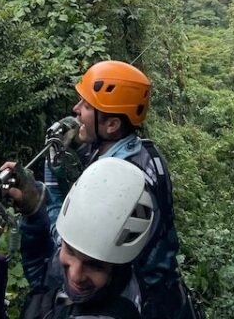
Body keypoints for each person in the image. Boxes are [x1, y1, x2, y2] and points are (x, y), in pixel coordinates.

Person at [46, 60, 199, 319]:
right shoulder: (144, 153)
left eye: (85, 105)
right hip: (167, 295)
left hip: (136, 304)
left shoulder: (118, 187)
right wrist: (68, 146)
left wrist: (45, 188)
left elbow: (72, 244)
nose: (75, 110)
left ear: (112, 125)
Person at [0, 157, 153, 319]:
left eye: (95, 265)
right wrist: (34, 214)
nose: (75, 274)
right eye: (70, 250)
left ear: (118, 265)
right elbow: (47, 279)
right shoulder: (111, 279)